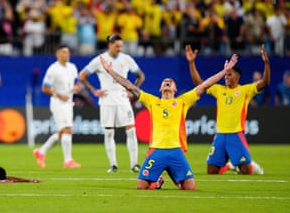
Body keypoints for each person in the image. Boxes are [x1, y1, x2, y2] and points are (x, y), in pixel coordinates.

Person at [99, 53, 238, 190]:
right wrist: (110, 71)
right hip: (156, 151)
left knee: (190, 188)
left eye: (171, 82)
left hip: (176, 152)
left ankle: (170, 177)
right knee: (141, 186)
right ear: (160, 89)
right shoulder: (152, 101)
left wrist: (224, 71)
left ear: (175, 89)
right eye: (165, 82)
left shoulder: (183, 101)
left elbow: (205, 85)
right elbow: (130, 86)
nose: (168, 82)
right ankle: (157, 181)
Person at [185, 44, 269, 175]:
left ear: (237, 77)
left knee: (246, 171)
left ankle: (251, 165)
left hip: (236, 134)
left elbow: (265, 82)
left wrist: (267, 64)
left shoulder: (245, 90)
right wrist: (191, 63)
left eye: (229, 75)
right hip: (220, 135)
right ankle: (230, 166)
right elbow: (199, 84)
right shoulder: (219, 90)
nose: (226, 77)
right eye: (225, 75)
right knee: (211, 171)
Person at [78, 34, 145, 173]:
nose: (119, 49)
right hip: (107, 100)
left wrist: (132, 91)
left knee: (131, 131)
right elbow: (82, 76)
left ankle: (134, 164)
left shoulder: (127, 59)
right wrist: (93, 91)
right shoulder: (99, 60)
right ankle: (113, 164)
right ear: (110, 45)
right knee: (109, 133)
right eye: (117, 46)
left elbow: (141, 76)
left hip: (123, 99)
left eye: (121, 46)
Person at [33, 44, 81, 169]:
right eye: (64, 52)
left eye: (68, 52)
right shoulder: (53, 69)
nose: (67, 54)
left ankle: (41, 152)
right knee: (68, 129)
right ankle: (68, 161)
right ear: (58, 54)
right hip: (58, 103)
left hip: (69, 102)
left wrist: (76, 87)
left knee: (61, 132)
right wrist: (59, 95)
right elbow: (45, 88)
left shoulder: (72, 67)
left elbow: (76, 82)